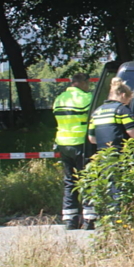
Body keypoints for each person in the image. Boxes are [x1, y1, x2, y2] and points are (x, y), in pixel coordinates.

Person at [85, 77, 134, 229]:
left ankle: (106, 221)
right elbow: (133, 133)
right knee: (118, 189)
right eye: (129, 99)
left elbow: (92, 138)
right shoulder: (121, 110)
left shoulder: (97, 112)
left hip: (103, 156)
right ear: (123, 96)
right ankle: (119, 222)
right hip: (119, 155)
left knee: (107, 188)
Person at [52, 73, 93, 230]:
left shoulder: (60, 98)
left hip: (63, 142)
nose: (88, 86)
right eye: (87, 83)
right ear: (82, 83)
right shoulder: (86, 98)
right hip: (80, 143)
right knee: (87, 180)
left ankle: (70, 220)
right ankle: (89, 218)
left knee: (70, 181)